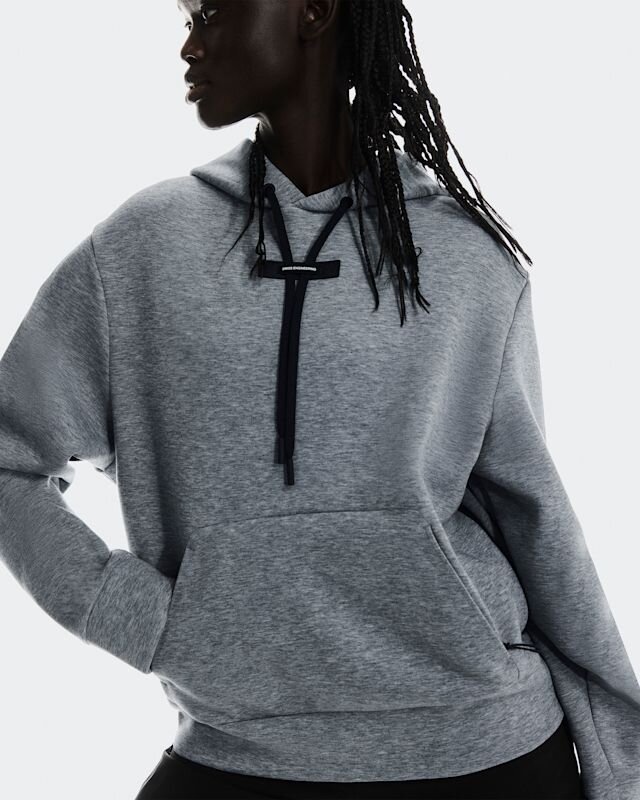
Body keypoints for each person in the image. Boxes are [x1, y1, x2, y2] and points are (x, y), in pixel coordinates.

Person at [0, 0, 638, 798]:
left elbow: (532, 517)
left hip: (486, 747)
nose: (190, 45)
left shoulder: (464, 256)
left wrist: (619, 756)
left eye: (213, 11)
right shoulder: (140, 249)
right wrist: (150, 621)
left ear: (313, 9)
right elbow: (10, 458)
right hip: (238, 750)